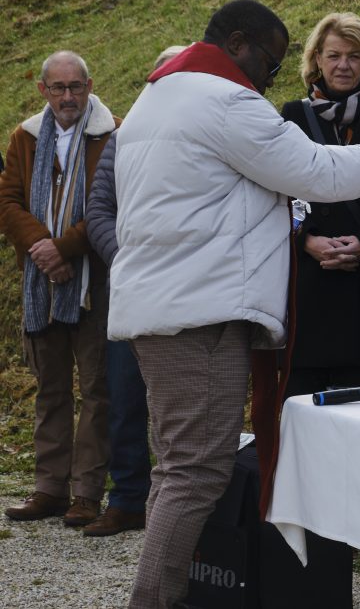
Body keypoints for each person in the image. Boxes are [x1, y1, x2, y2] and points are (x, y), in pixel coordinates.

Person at [106, 0, 360, 609]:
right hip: (199, 316)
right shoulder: (224, 100)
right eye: (270, 62)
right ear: (238, 42)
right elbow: (319, 173)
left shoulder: (158, 96)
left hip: (168, 307)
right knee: (195, 474)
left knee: (176, 470)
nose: (269, 80)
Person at [0, 50, 118, 528]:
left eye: (76, 87)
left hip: (94, 282)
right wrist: (43, 250)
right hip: (40, 281)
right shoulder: (25, 137)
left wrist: (65, 249)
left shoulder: (114, 134)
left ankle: (87, 492)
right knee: (50, 389)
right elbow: (6, 201)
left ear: (90, 86)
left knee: (97, 387)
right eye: (58, 88)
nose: (68, 96)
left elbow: (115, 203)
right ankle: (49, 487)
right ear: (43, 91)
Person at [81, 45, 185, 538]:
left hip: (189, 292)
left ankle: (178, 502)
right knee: (124, 395)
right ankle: (126, 498)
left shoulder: (206, 134)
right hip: (131, 287)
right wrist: (129, 258)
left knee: (183, 405)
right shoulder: (126, 136)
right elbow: (98, 209)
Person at [281, 12, 360, 396]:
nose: (343, 65)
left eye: (354, 56)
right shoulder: (291, 117)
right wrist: (306, 240)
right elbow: (278, 192)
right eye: (334, 55)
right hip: (308, 280)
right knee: (300, 406)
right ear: (317, 59)